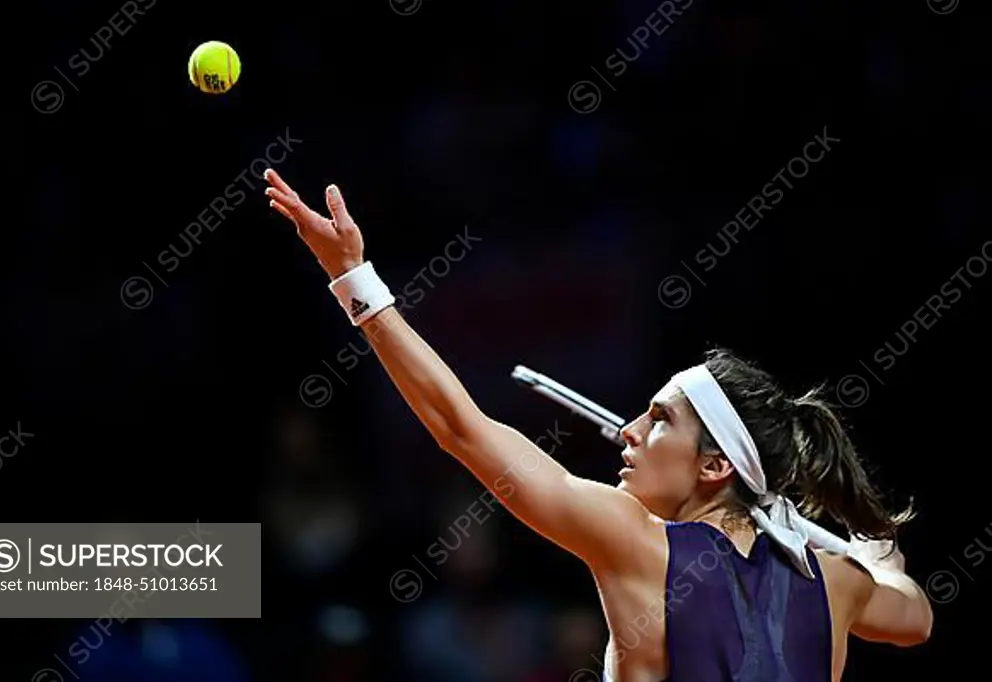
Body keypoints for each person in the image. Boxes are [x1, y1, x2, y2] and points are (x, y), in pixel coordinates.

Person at [263, 169, 933, 681]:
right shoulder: (842, 585)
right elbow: (916, 619)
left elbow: (458, 428)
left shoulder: (636, 540)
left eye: (660, 420)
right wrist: (875, 553)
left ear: (715, 465)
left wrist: (354, 279)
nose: (629, 431)